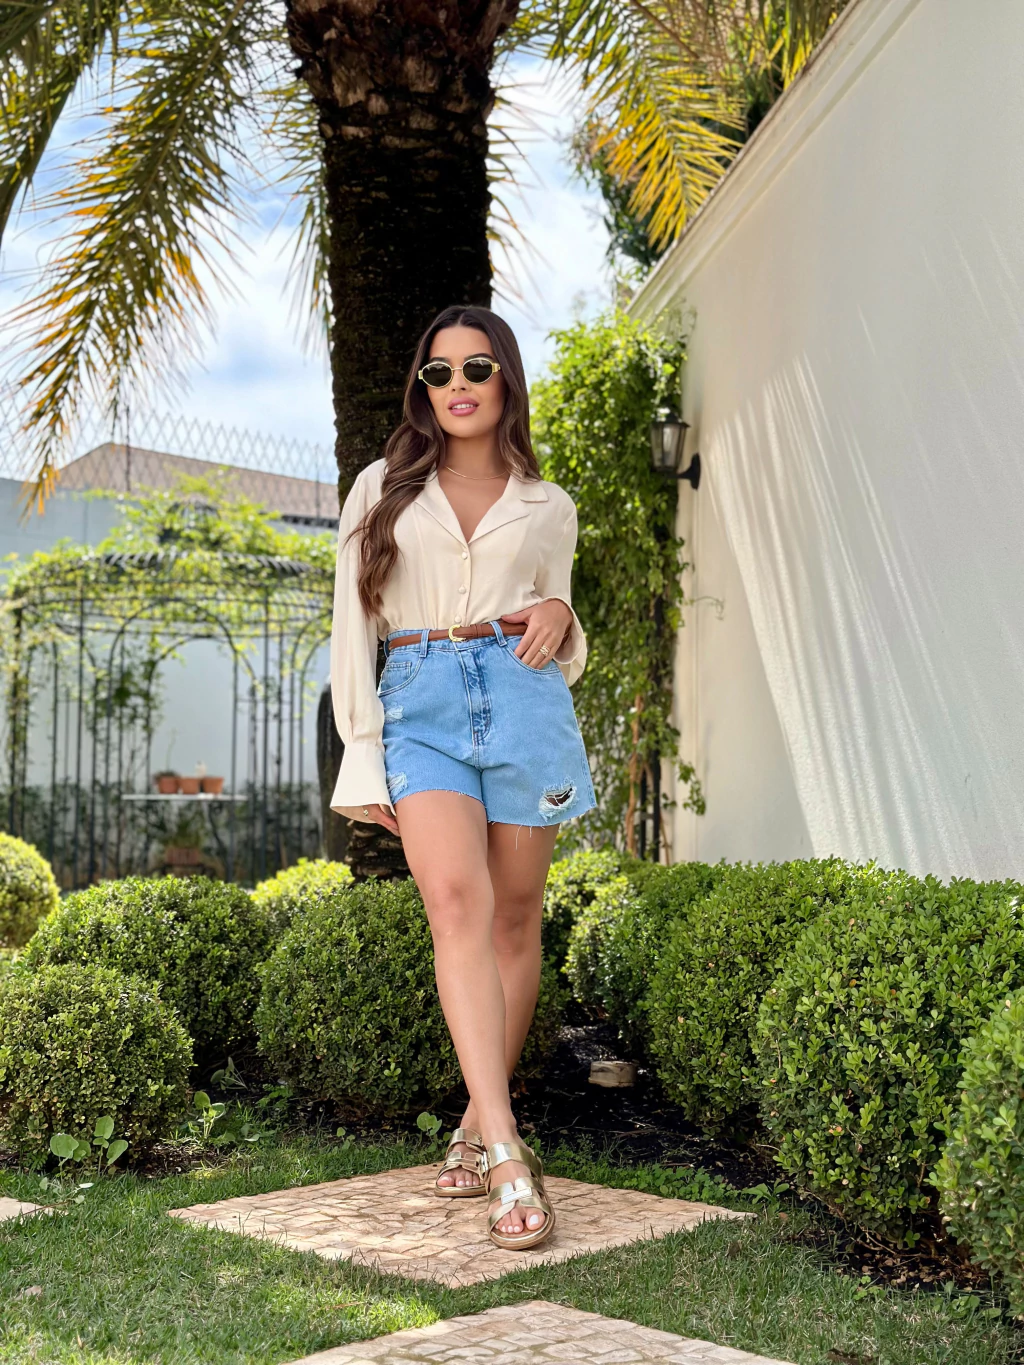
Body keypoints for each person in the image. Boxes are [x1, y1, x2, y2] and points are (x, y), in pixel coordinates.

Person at [329, 303, 595, 1250]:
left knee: (516, 917)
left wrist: (561, 613)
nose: (457, 386)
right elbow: (351, 623)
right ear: (422, 388)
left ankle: (476, 1122)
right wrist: (361, 750)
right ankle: (510, 1150)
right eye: (438, 372)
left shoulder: (549, 503)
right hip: (419, 699)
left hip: (523, 700)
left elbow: (559, 624)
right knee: (456, 903)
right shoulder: (381, 488)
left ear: (505, 378)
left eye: (476, 367)